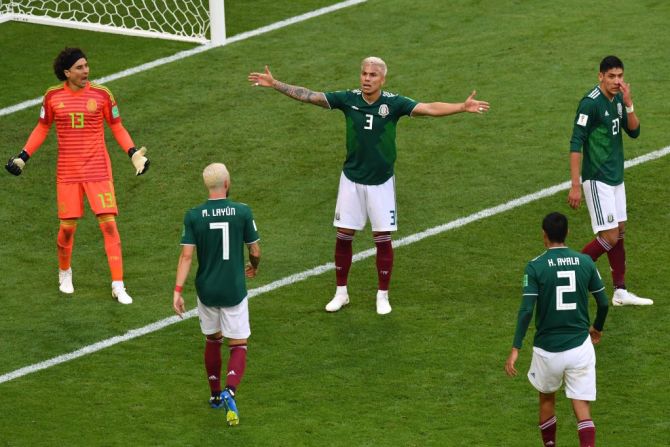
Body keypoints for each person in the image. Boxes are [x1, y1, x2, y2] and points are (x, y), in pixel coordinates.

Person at [248, 56, 489, 315]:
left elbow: (429, 108)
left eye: (373, 75)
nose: (366, 78)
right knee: (343, 235)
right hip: (351, 179)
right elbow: (311, 96)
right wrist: (275, 84)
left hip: (381, 183)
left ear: (382, 79)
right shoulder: (348, 99)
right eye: (364, 73)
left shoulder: (394, 103)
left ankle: (382, 295)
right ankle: (341, 293)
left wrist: (461, 107)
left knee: (382, 239)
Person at [5, 47, 149, 304]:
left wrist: (133, 154)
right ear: (67, 72)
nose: (86, 71)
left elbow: (116, 126)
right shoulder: (52, 97)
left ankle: (118, 284)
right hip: (68, 172)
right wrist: (23, 157)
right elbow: (42, 127)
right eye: (80, 68)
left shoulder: (103, 95)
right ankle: (64, 271)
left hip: (98, 169)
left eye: (86, 66)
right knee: (67, 229)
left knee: (109, 225)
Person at [505, 212, 609, 447]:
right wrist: (597, 328)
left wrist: (515, 347)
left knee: (546, 399)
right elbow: (603, 302)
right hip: (580, 348)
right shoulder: (585, 262)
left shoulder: (535, 267)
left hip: (548, 350)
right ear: (567, 233)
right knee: (581, 407)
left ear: (544, 235)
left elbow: (526, 311)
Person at [173, 163, 261, 426]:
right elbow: (255, 251)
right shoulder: (242, 212)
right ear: (227, 183)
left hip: (207, 289)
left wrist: (177, 291)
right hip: (233, 288)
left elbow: (186, 256)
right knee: (238, 343)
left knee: (213, 340)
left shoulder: (194, 215)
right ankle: (229, 390)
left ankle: (213, 396)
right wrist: (253, 267)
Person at [567, 55, 652, 306]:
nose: (617, 81)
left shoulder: (617, 99)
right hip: (597, 178)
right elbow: (575, 143)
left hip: (616, 177)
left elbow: (634, 131)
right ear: (600, 76)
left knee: (620, 230)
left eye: (620, 76)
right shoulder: (589, 104)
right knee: (610, 236)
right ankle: (570, 273)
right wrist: (575, 185)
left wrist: (629, 104)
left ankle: (620, 292)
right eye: (612, 76)